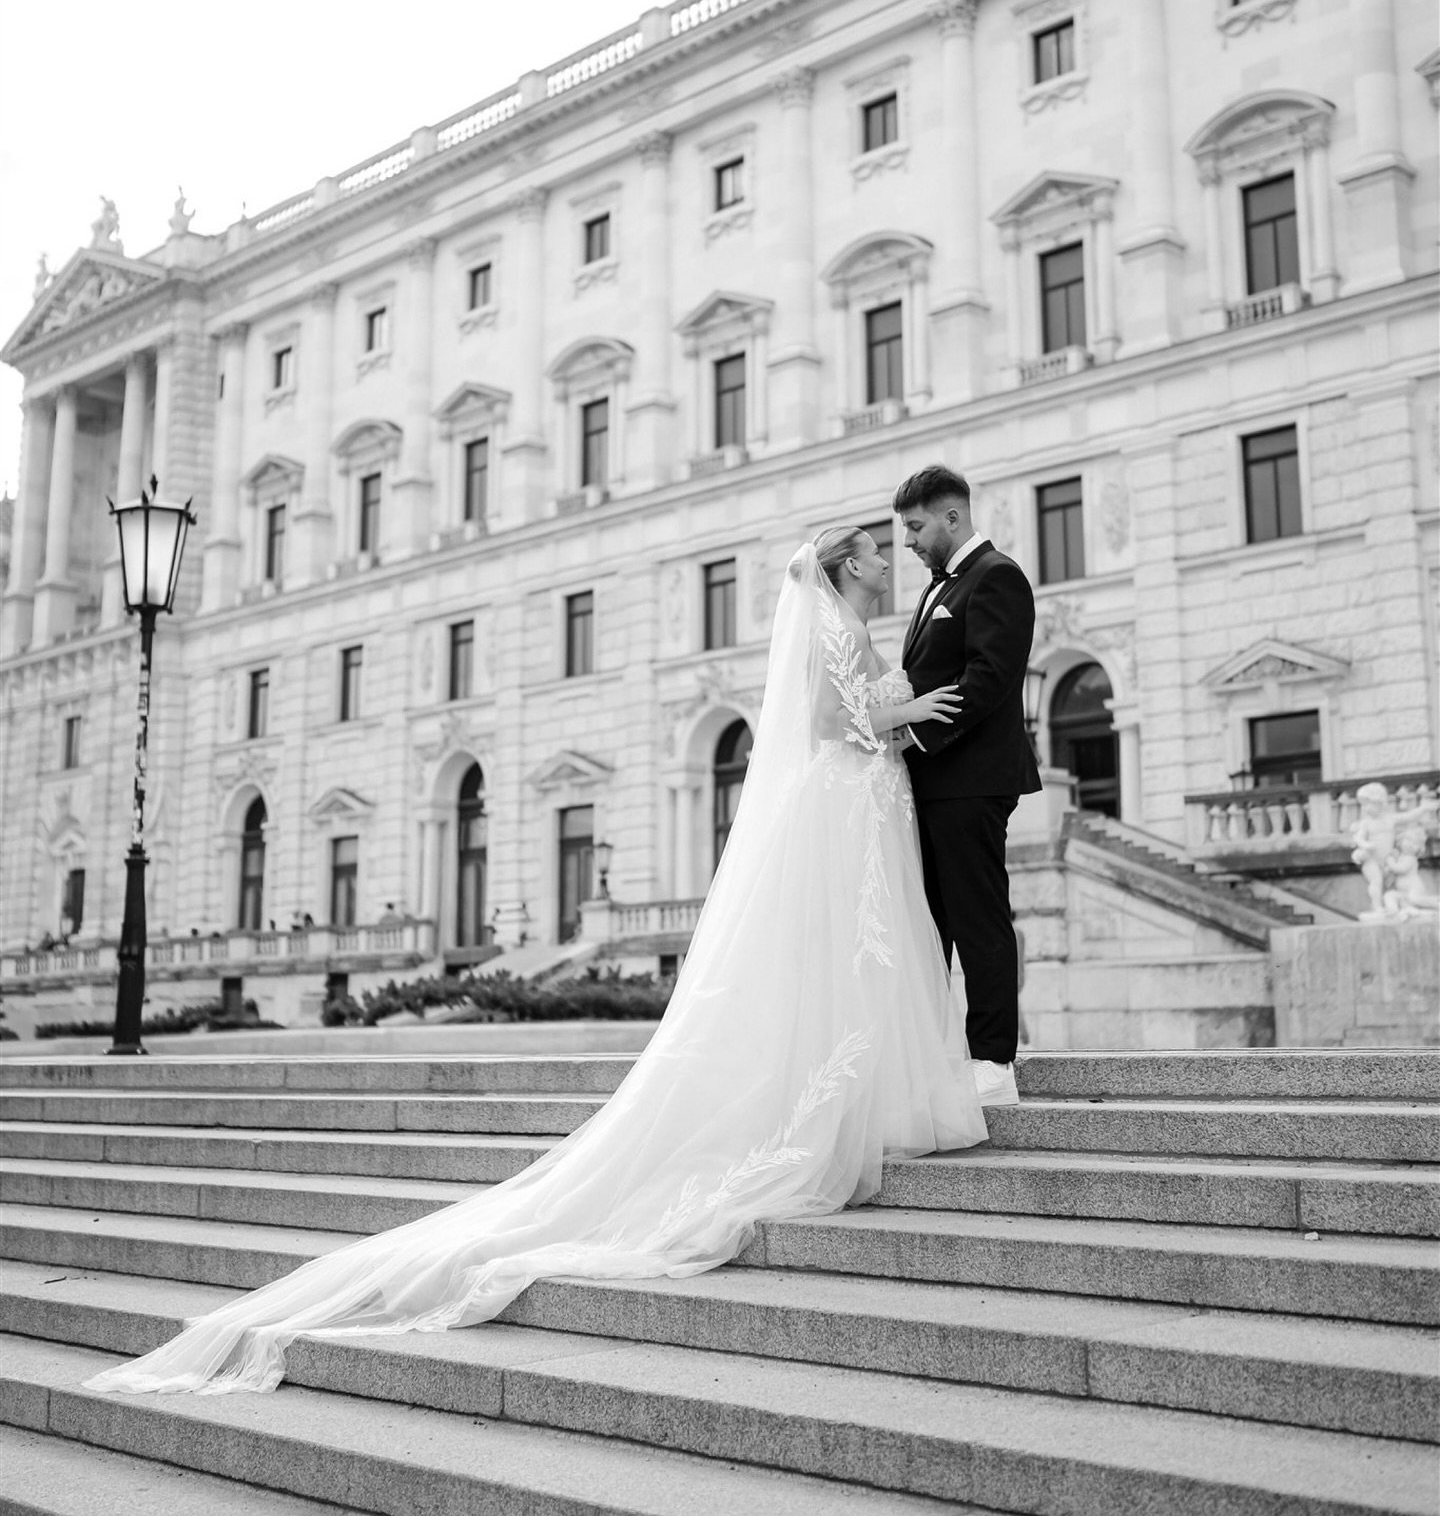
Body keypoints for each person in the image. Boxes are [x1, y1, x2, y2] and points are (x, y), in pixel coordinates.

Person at [85, 529, 987, 1398]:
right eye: (878, 548)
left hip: (858, 811)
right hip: (845, 803)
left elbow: (844, 719)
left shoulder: (856, 624)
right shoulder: (836, 625)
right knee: (845, 951)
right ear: (847, 566)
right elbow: (832, 721)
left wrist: (897, 723)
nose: (892, 555)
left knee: (855, 954)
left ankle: (858, 1098)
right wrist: (904, 713)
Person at [894, 464, 1041, 1108]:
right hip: (928, 783)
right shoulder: (937, 586)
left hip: (971, 780)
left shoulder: (998, 576)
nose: (909, 541)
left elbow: (989, 681)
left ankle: (993, 1063)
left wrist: (916, 737)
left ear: (951, 517)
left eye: (916, 526)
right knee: (931, 925)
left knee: (978, 919)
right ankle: (932, 1055)